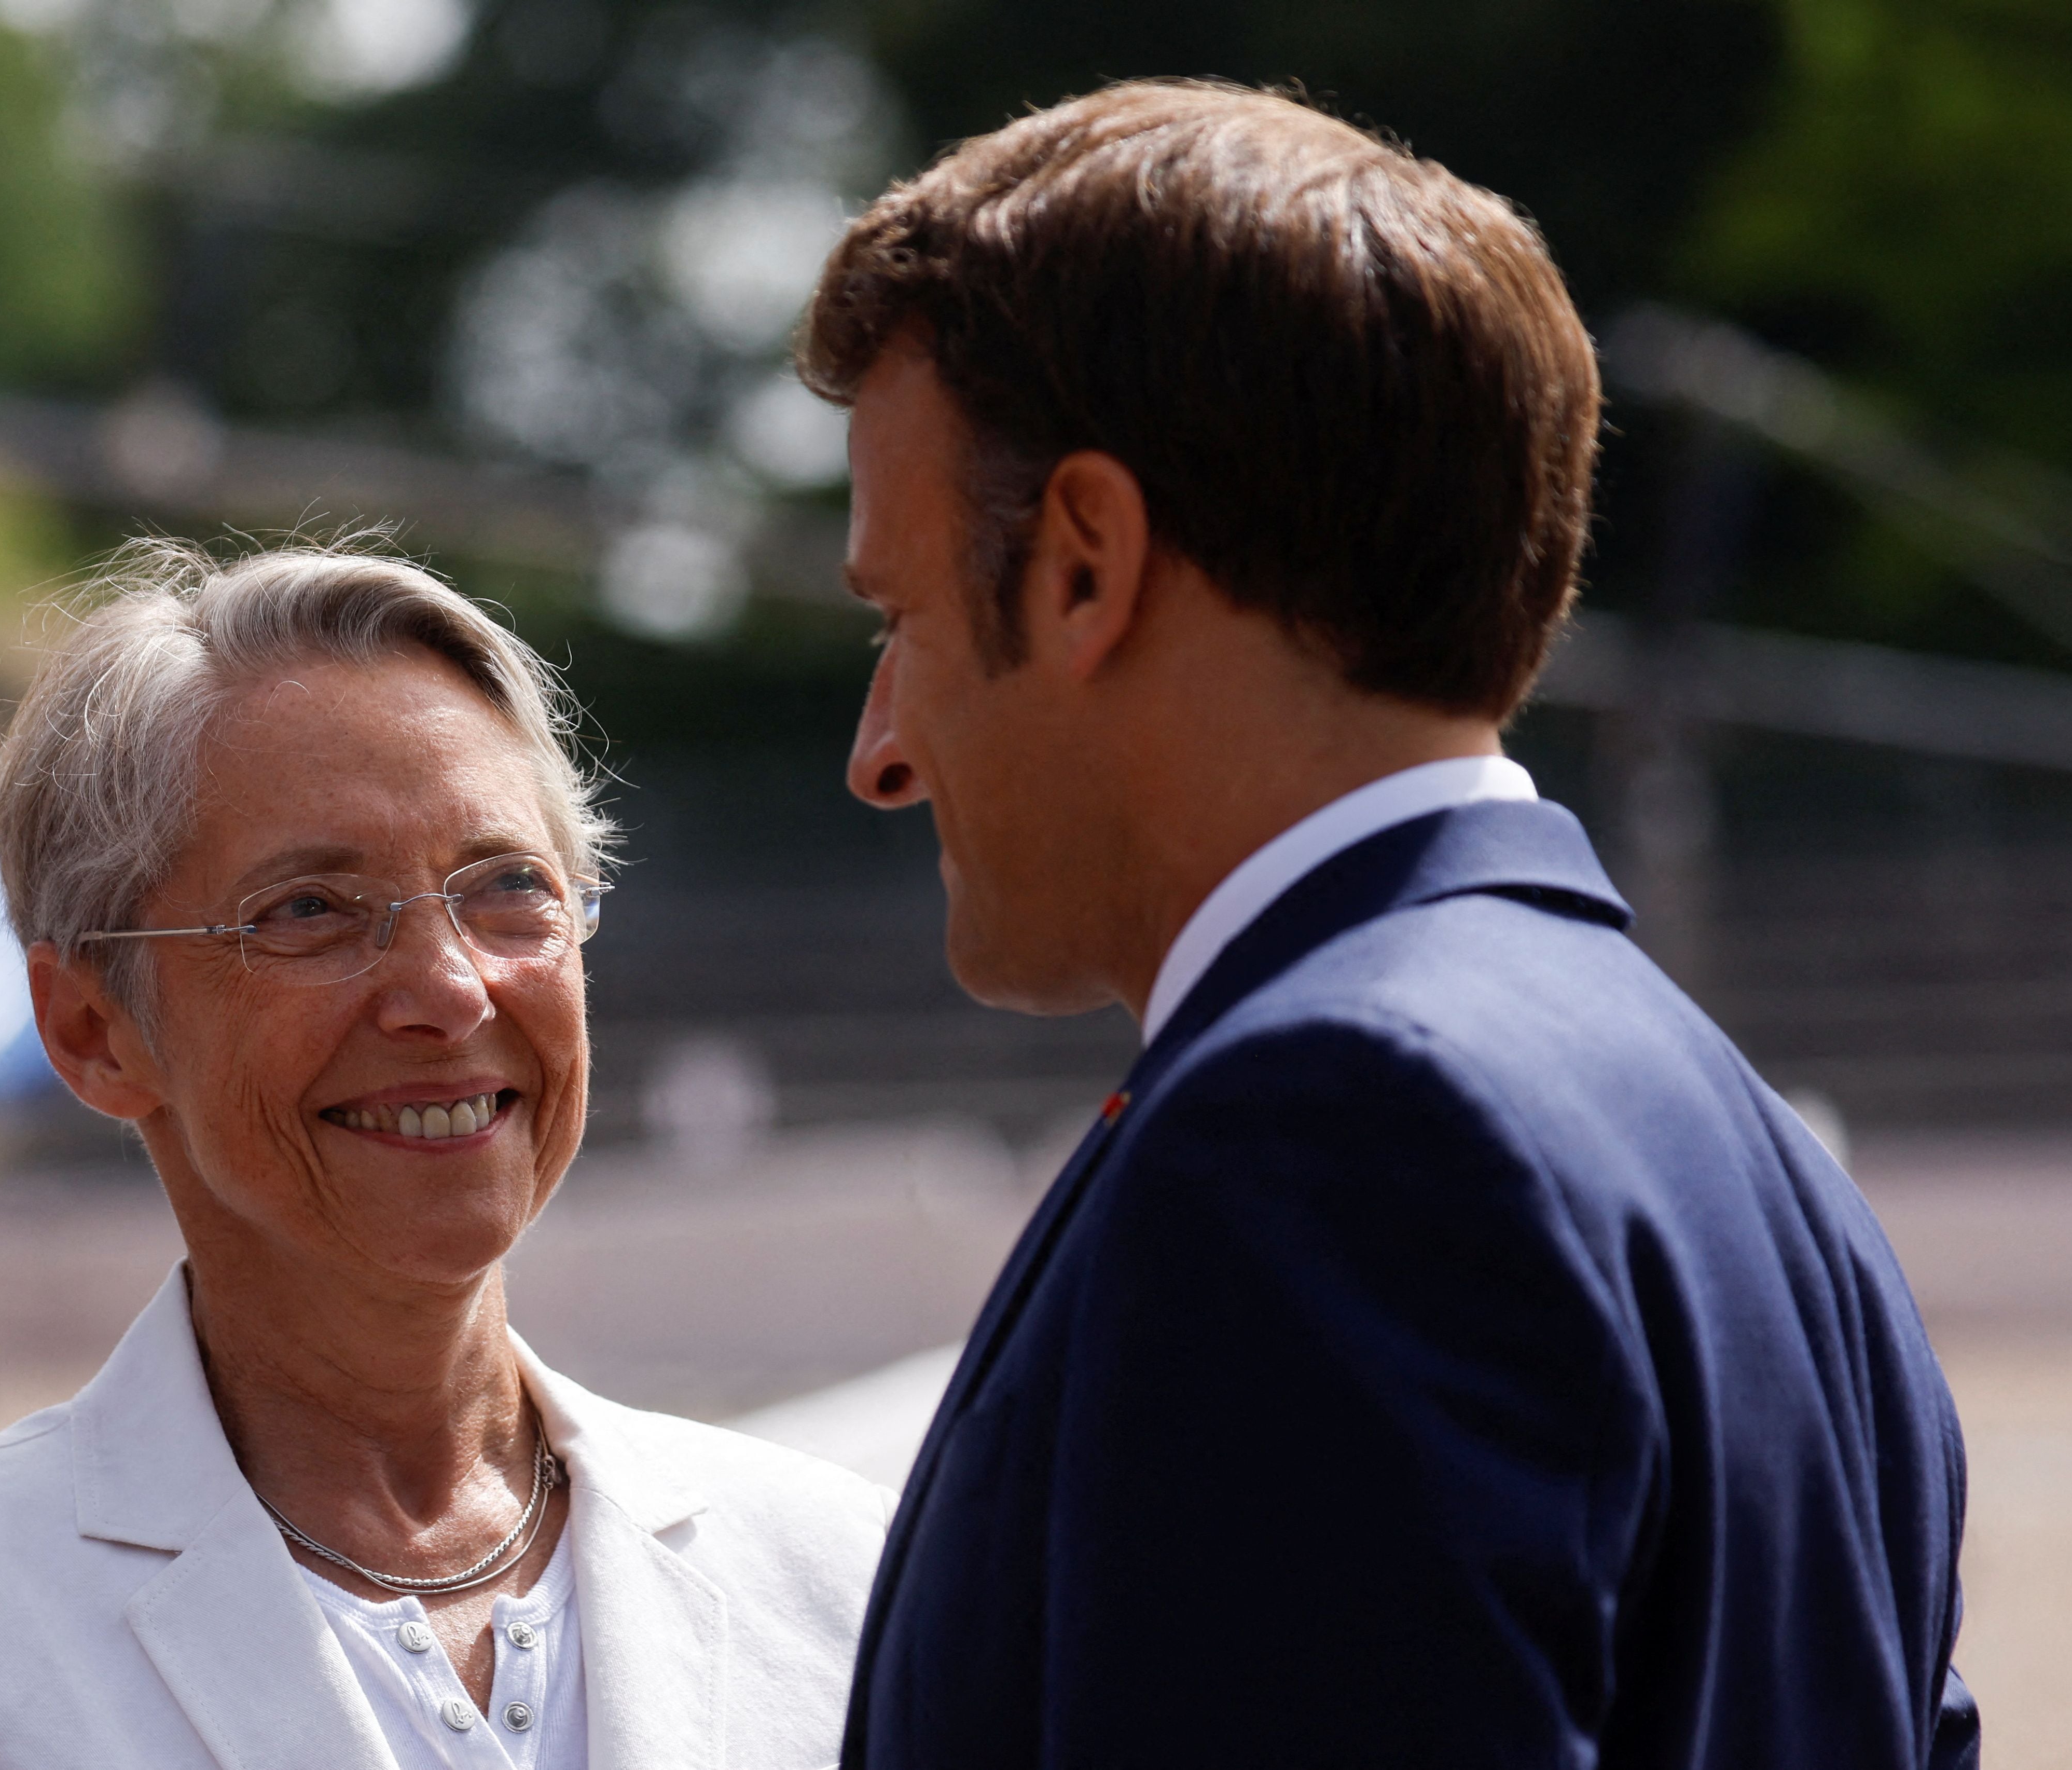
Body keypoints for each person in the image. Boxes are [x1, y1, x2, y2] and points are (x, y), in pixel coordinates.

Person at [798, 81, 1977, 1769]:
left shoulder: (1326, 1140)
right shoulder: (1769, 1183)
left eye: (897, 618)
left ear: (1082, 564)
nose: (882, 752)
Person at [0, 542, 892, 1769]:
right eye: (309, 909)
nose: (447, 987)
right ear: (93, 1028)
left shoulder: (837, 1577)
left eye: (507, 887)